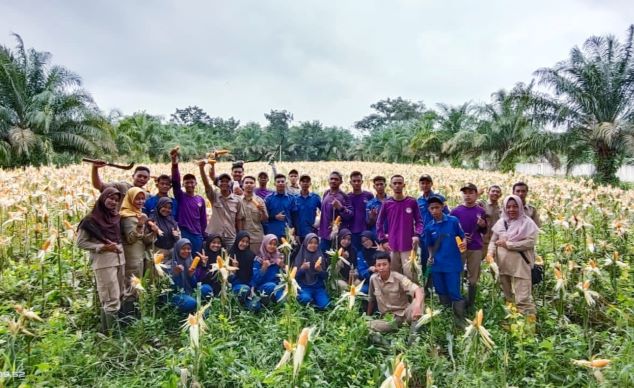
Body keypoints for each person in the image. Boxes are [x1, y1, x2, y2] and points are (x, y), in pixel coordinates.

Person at [76, 187, 125, 332]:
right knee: (110, 298)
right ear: (103, 198)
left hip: (119, 259)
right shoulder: (90, 220)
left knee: (119, 295)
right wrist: (102, 247)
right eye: (110, 198)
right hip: (104, 262)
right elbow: (81, 242)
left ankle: (108, 330)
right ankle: (111, 335)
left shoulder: (115, 217)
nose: (113, 202)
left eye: (116, 200)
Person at [488, 195, 539, 319]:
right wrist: (490, 253)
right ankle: (513, 322)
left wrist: (508, 244)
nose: (512, 209)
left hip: (520, 266)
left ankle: (528, 330)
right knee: (508, 297)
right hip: (503, 266)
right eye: (508, 207)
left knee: (523, 299)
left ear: (520, 207)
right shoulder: (501, 222)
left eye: (515, 206)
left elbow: (530, 242)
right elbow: (493, 240)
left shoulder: (527, 223)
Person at [424, 196, 467, 325]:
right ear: (429, 210)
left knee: (454, 291)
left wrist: (464, 243)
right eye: (432, 208)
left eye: (437, 207)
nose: (435, 211)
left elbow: (462, 236)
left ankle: (459, 318)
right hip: (437, 264)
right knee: (441, 290)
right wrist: (431, 256)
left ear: (442, 207)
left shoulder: (453, 221)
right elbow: (430, 245)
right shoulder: (429, 227)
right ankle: (447, 316)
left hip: (452, 263)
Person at [376, 175, 424, 282]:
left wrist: (417, 235)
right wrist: (383, 240)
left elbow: (419, 221)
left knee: (410, 275)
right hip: (392, 246)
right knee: (394, 276)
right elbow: (379, 223)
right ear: (391, 186)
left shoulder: (411, 202)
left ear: (404, 185)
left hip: (408, 245)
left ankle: (413, 298)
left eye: (399, 183)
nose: (397, 186)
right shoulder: (387, 203)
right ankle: (397, 298)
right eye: (395, 183)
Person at [120, 188, 158, 315]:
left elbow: (143, 239)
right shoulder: (126, 216)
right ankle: (128, 317)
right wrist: (141, 225)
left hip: (140, 256)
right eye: (137, 198)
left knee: (138, 285)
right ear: (130, 199)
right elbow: (130, 239)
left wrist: (153, 232)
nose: (141, 201)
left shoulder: (139, 214)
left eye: (142, 199)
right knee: (131, 286)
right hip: (131, 257)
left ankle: (137, 315)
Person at [450, 183, 488, 309]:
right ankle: (457, 300)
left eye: (471, 193)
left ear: (476, 195)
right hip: (459, 247)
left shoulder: (481, 211)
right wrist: (461, 237)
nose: (467, 195)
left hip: (475, 247)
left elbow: (484, 231)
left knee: (473, 276)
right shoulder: (455, 211)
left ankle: (470, 303)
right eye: (465, 193)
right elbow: (450, 231)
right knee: (457, 272)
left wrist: (483, 225)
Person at [367, 252, 424, 333]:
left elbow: (417, 289)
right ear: (375, 267)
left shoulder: (398, 278)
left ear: (390, 265)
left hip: (405, 315)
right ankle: (387, 343)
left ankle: (414, 335)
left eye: (384, 264)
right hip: (389, 320)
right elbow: (371, 299)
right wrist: (368, 316)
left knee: (419, 298)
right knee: (367, 326)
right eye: (379, 265)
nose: (382, 268)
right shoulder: (373, 279)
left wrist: (417, 306)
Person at [200, 160, 245, 249]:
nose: (224, 183)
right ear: (218, 183)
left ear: (231, 183)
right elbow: (206, 184)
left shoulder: (237, 200)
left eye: (227, 181)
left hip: (230, 236)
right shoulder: (214, 196)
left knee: (230, 259)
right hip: (214, 235)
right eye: (222, 181)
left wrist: (240, 235)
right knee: (213, 260)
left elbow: (239, 219)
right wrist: (201, 168)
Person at [171, 150, 207, 255]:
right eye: (187, 183)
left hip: (197, 235)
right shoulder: (180, 196)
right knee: (183, 259)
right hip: (184, 232)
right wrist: (174, 164)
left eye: (192, 182)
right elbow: (175, 181)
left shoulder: (200, 199)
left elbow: (203, 220)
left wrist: (203, 235)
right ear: (183, 184)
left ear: (196, 183)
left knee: (197, 259)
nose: (190, 185)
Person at [168, 238, 213, 314]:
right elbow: (171, 288)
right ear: (178, 249)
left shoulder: (190, 261)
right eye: (183, 249)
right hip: (176, 295)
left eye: (188, 249)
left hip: (189, 292)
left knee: (207, 288)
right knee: (191, 302)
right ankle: (195, 310)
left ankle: (198, 307)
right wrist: (175, 274)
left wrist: (191, 276)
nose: (186, 251)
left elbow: (194, 285)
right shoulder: (170, 264)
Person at [416, 174, 449, 273]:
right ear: (420, 185)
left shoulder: (439, 198)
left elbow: (447, 215)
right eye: (422, 183)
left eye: (427, 183)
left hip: (438, 234)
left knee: (440, 259)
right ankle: (427, 285)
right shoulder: (418, 201)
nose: (425, 185)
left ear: (431, 184)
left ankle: (439, 284)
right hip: (425, 235)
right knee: (426, 260)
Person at [318, 171, 353, 253]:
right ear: (328, 180)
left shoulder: (344, 196)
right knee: (324, 260)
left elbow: (350, 215)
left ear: (341, 182)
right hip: (324, 234)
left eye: (336, 179)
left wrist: (340, 207)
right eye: (331, 179)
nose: (333, 181)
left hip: (336, 236)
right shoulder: (326, 193)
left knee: (334, 261)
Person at [294, 233, 330, 309]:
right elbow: (294, 277)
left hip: (318, 287)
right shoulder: (300, 256)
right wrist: (302, 269)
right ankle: (310, 301)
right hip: (304, 287)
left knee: (325, 305)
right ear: (306, 243)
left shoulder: (320, 256)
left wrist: (320, 271)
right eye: (310, 243)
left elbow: (325, 277)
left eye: (315, 243)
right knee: (305, 299)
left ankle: (314, 301)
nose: (313, 245)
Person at [227, 231, 260, 311]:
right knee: (244, 289)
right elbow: (228, 280)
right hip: (235, 287)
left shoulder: (251, 255)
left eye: (247, 242)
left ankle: (244, 304)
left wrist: (252, 288)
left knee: (255, 306)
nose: (244, 244)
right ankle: (236, 303)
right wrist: (234, 269)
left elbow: (254, 274)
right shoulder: (230, 255)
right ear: (237, 240)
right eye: (242, 241)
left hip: (249, 287)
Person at [252, 234, 286, 302]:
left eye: (274, 244)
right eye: (270, 244)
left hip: (277, 287)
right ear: (265, 244)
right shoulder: (259, 259)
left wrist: (283, 266)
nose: (272, 246)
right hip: (263, 288)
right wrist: (263, 269)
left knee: (284, 299)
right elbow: (254, 280)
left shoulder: (279, 257)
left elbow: (285, 276)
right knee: (272, 286)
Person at [347, 171, 374, 251]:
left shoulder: (369, 195)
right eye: (354, 181)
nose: (356, 183)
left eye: (358, 181)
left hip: (366, 231)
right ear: (350, 182)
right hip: (353, 232)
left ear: (362, 182)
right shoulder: (348, 197)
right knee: (355, 254)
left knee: (368, 254)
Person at [241, 175, 268, 253]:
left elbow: (265, 219)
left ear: (255, 185)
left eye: (251, 183)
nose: (249, 184)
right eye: (246, 183)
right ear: (243, 185)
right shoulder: (238, 200)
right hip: (242, 237)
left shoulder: (260, 201)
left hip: (256, 237)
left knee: (256, 260)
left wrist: (262, 211)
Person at [264, 174, 296, 240]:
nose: (280, 183)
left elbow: (295, 216)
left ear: (286, 183)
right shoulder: (269, 199)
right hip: (272, 232)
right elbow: (264, 217)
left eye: (282, 181)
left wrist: (295, 230)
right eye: (278, 182)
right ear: (274, 184)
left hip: (287, 233)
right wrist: (274, 217)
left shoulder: (291, 198)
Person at [292, 174, 321, 243]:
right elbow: (291, 215)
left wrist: (319, 222)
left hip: (311, 232)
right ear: (299, 183)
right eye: (303, 181)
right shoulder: (294, 198)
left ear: (310, 183)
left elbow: (324, 211)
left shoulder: (315, 197)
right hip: (298, 233)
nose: (305, 183)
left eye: (307, 181)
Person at [479, 185, 502, 258]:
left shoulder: (502, 208)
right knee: (476, 264)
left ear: (500, 195)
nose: (495, 193)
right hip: (481, 241)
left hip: (495, 242)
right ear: (488, 193)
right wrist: (478, 194)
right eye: (493, 191)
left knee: (494, 265)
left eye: (497, 192)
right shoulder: (481, 204)